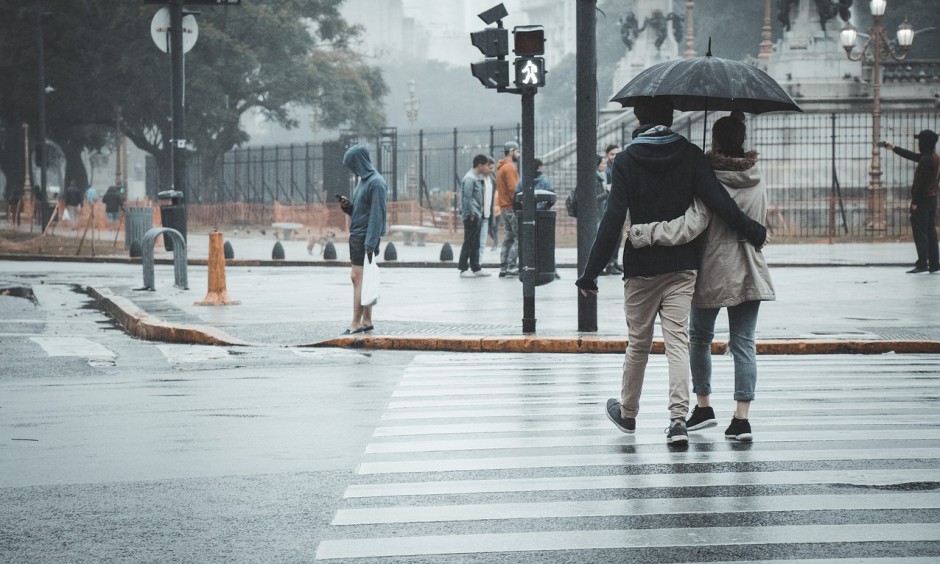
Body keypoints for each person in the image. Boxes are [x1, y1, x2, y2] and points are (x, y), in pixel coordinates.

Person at [574, 96, 767, 446]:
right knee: (678, 342)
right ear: (672, 116)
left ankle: (628, 413)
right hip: (683, 265)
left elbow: (612, 219)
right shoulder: (691, 154)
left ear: (637, 117)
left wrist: (589, 273)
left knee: (639, 344)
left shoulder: (627, 160)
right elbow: (718, 202)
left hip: (641, 267)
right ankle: (678, 420)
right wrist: (752, 229)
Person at [629, 115, 776, 442]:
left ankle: (704, 405)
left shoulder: (709, 178)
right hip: (751, 267)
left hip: (712, 266)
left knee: (698, 338)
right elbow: (760, 220)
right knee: (744, 344)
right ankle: (741, 419)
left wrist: (649, 234)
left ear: (716, 140)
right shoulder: (757, 175)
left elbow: (693, 224)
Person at [337, 144, 387, 335]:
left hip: (365, 238)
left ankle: (355, 323)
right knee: (363, 280)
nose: (352, 169)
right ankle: (367, 321)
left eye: (353, 164)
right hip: (358, 235)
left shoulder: (376, 183)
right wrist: (347, 207)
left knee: (357, 278)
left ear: (360, 162)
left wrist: (370, 243)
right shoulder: (363, 182)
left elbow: (376, 215)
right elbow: (361, 211)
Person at [882, 130, 939, 274]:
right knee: (930, 231)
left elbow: (923, 184)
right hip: (932, 199)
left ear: (924, 143)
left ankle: (922, 264)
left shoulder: (926, 160)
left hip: (923, 200)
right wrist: (894, 148)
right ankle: (934, 263)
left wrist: (915, 202)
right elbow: (912, 156)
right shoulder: (932, 157)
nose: (918, 143)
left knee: (920, 233)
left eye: (920, 140)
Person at [458, 154, 493, 278]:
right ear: (479, 165)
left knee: (476, 242)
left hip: (478, 214)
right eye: (485, 165)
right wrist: (471, 213)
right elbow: (466, 198)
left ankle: (476, 267)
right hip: (471, 215)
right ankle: (463, 268)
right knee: (469, 241)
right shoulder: (470, 178)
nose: (487, 168)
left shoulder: (476, 178)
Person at [496, 141, 520, 277]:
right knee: (519, 236)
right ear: (511, 151)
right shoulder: (510, 167)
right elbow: (513, 189)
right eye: (517, 151)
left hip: (504, 207)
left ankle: (503, 266)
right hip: (511, 207)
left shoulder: (501, 168)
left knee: (508, 237)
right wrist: (519, 204)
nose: (519, 154)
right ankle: (512, 266)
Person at [604, 144, 624, 275]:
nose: (615, 156)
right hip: (609, 206)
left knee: (619, 235)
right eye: (612, 154)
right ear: (607, 156)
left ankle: (615, 261)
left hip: (618, 204)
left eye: (617, 154)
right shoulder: (605, 169)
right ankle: (610, 264)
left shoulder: (619, 166)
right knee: (611, 236)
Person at [478, 157, 497, 266]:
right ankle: (472, 265)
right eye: (489, 168)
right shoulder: (478, 179)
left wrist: (491, 216)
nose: (491, 170)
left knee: (482, 243)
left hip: (486, 215)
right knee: (474, 242)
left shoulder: (492, 181)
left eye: (493, 168)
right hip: (477, 215)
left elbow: (491, 199)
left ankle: (478, 264)